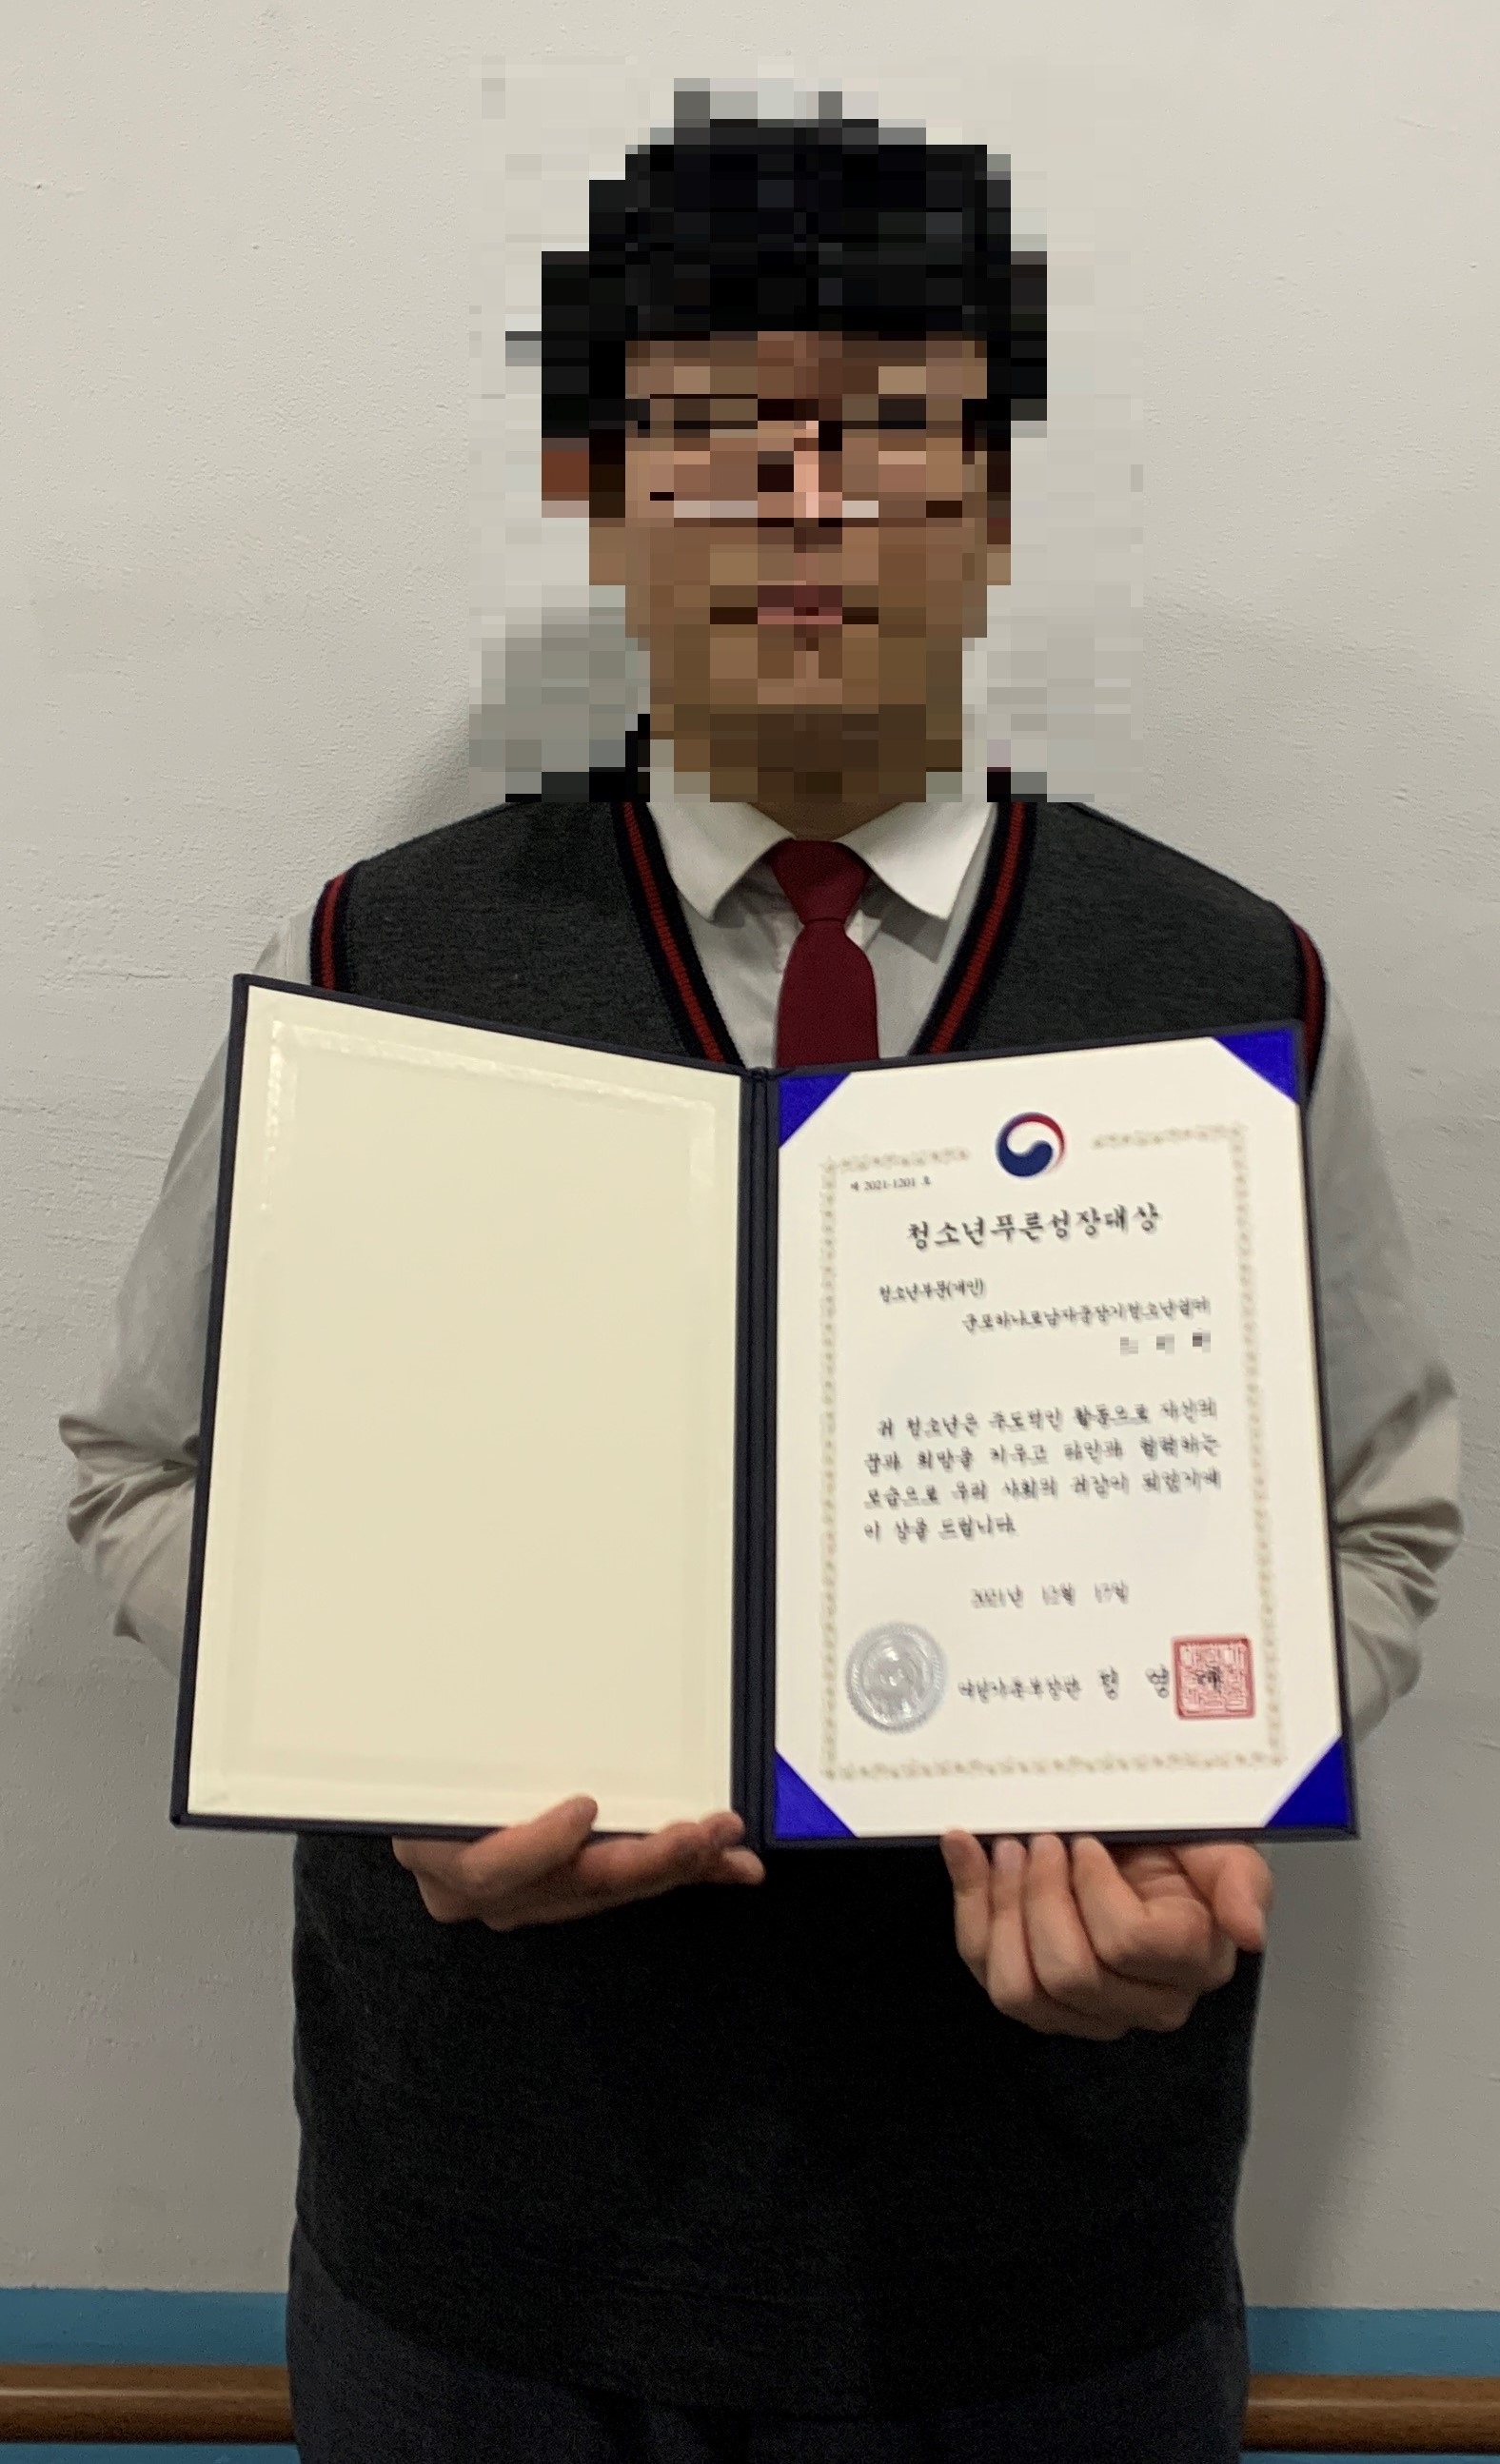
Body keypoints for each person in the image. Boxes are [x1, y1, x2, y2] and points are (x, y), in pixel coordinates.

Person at [59, 95, 1463, 2464]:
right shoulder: (380, 960)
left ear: (989, 502)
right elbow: (144, 1472)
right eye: (717, 434)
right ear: (596, 493)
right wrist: (380, 1734)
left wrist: (1191, 1806)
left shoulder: (1222, 983)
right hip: (480, 2266)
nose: (807, 506)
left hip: (1054, 2270)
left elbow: (1375, 1521)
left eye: (890, 429)